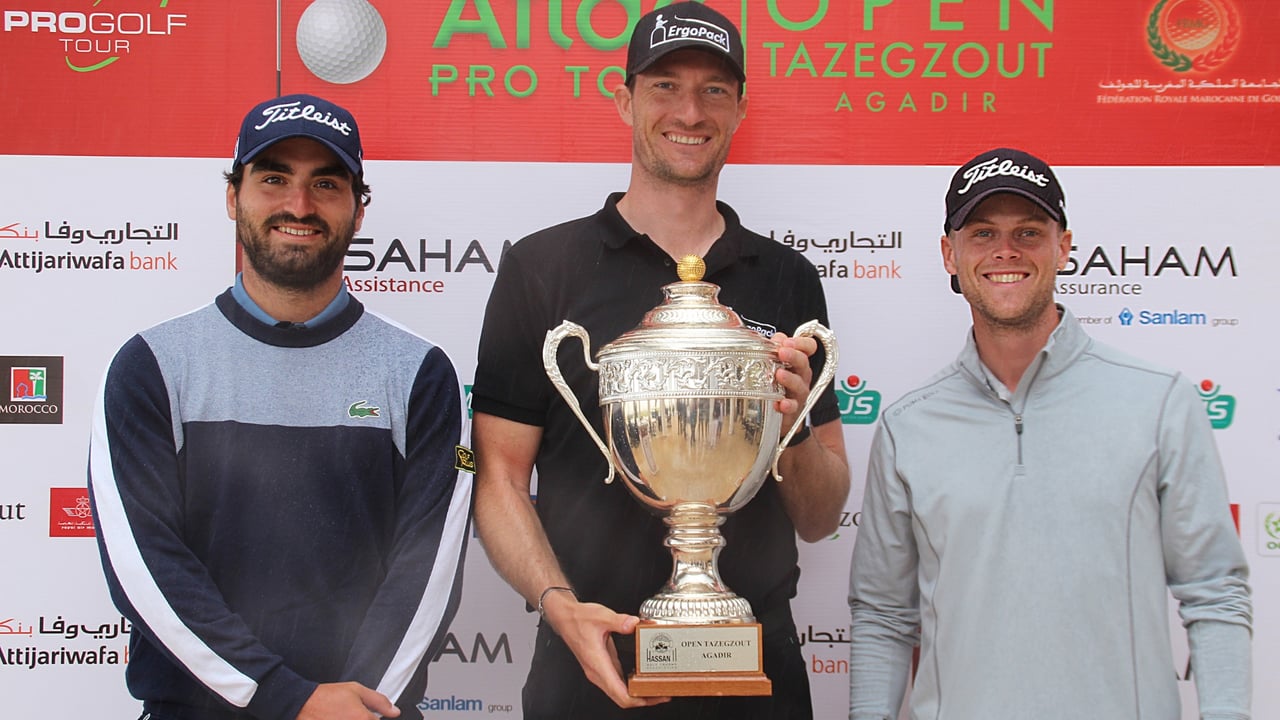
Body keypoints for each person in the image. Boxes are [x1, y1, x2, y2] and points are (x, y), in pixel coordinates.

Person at [469, 3, 850, 719]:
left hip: (755, 670)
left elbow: (822, 515)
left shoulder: (787, 278)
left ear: (740, 109)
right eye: (665, 85)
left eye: (713, 89)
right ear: (625, 99)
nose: (690, 110)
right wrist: (560, 608)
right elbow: (499, 479)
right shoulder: (542, 268)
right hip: (589, 661)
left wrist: (791, 427)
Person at [88, 94, 473, 720]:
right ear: (233, 196)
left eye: (325, 182)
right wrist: (285, 699)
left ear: (358, 206)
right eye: (274, 179)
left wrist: (355, 705)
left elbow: (428, 570)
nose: (299, 205)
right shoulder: (151, 364)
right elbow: (145, 567)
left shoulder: (419, 373)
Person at [847, 148, 1253, 719]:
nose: (1005, 251)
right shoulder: (908, 424)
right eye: (983, 232)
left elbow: (1214, 591)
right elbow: (883, 615)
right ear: (950, 254)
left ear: (1063, 247)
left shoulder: (1161, 401)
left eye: (1029, 232)